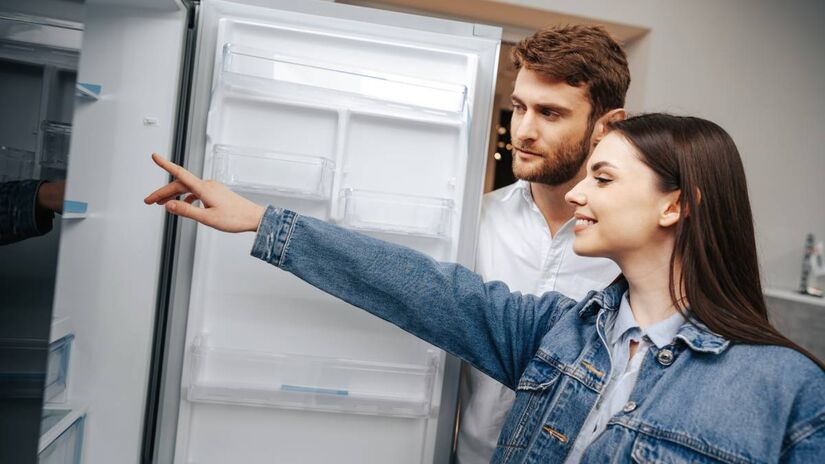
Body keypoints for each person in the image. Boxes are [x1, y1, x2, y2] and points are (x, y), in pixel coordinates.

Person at [145, 113, 825, 462]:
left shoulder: (785, 389)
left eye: (604, 179)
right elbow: (419, 287)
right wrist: (263, 220)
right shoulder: (555, 334)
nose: (579, 193)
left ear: (675, 205)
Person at [460, 25, 628, 462]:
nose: (524, 131)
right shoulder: (474, 221)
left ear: (607, 126)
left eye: (550, 113)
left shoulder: (632, 248)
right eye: (519, 108)